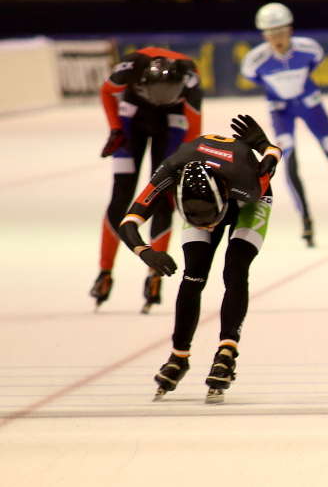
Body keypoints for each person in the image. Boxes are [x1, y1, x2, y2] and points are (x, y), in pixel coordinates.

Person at [118, 114, 280, 403]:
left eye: (210, 220)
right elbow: (129, 221)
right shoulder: (169, 170)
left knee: (235, 269)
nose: (206, 226)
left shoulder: (251, 184)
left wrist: (266, 146)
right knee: (193, 275)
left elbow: (273, 156)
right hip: (208, 188)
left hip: (247, 202)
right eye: (197, 220)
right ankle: (179, 356)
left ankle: (227, 352)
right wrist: (146, 252)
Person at [240, 2, 328, 247]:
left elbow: (313, 63)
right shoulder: (254, 61)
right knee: (288, 157)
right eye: (272, 35)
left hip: (310, 104)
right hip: (281, 109)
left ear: (291, 30)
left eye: (282, 32)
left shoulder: (309, 49)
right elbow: (253, 78)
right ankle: (305, 216)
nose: (278, 39)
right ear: (264, 35)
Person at [90, 47, 203, 313]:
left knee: (165, 197)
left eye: (169, 95)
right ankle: (105, 271)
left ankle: (154, 275)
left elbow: (195, 125)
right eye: (158, 95)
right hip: (132, 119)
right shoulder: (132, 65)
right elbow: (107, 92)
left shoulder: (190, 77)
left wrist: (186, 164)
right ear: (143, 84)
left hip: (172, 123)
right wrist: (116, 129)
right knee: (121, 197)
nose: (161, 100)